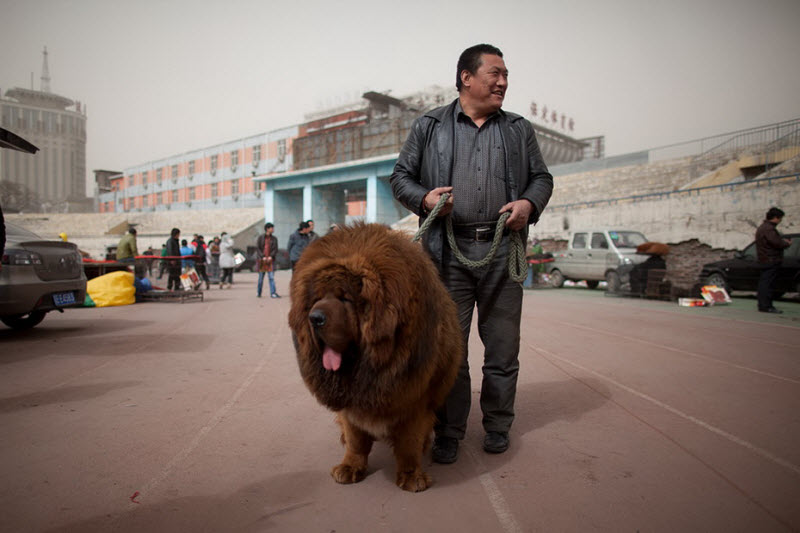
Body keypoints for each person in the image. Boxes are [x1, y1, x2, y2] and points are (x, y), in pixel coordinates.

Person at [390, 43, 553, 463]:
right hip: (447, 253)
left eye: (505, 76)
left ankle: (498, 425)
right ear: (466, 77)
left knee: (502, 350)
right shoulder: (429, 126)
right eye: (494, 73)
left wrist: (528, 205)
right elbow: (400, 177)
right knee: (450, 351)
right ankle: (449, 430)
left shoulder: (518, 128)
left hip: (503, 252)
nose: (502, 82)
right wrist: (425, 200)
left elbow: (541, 178)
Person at [755, 207, 791, 314]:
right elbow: (776, 242)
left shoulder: (762, 228)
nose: (780, 221)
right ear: (775, 218)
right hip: (771, 259)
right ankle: (766, 306)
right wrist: (786, 243)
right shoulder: (769, 229)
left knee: (764, 282)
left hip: (765, 259)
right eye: (780, 219)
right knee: (768, 284)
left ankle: (763, 304)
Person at [255, 222, 280, 298]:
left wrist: (271, 256)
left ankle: (273, 293)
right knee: (260, 278)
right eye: (271, 228)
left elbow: (275, 249)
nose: (273, 229)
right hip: (262, 260)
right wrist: (262, 256)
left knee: (271, 277)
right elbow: (258, 248)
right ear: (267, 229)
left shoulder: (274, 239)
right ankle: (259, 292)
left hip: (270, 260)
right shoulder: (261, 238)